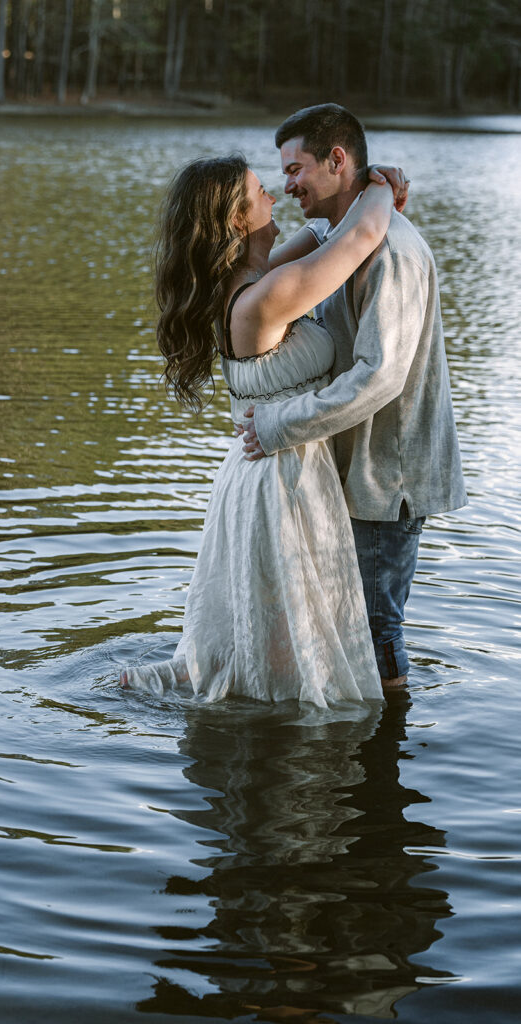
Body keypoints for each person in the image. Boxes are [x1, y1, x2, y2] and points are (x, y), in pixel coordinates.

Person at [121, 153, 408, 707]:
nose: (275, 195)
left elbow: (323, 233)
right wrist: (383, 181)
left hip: (270, 466)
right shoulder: (265, 297)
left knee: (282, 628)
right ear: (235, 219)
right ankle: (271, 744)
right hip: (281, 478)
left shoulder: (250, 277)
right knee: (289, 644)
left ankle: (183, 680)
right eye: (260, 192)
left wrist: (357, 196)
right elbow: (363, 234)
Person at [242, 103, 467, 689]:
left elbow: (380, 377)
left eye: (295, 170)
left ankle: (383, 761)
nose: (287, 185)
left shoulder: (391, 253)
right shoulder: (337, 240)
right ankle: (355, 766)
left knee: (375, 631)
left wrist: (276, 428)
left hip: (385, 479)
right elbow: (310, 252)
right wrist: (376, 184)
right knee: (344, 627)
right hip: (346, 471)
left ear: (336, 160)